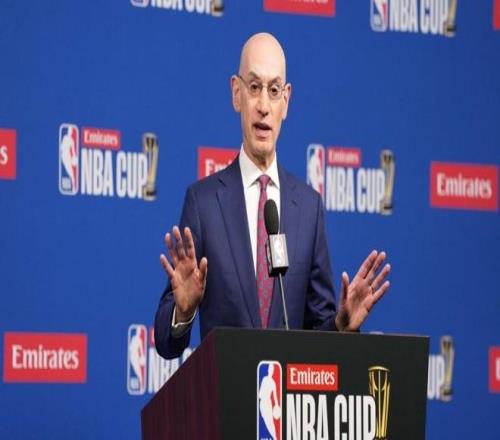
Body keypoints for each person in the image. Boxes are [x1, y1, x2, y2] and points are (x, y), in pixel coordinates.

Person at [154, 33, 391, 360]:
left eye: (274, 90)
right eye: (254, 87)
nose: (264, 106)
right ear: (236, 93)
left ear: (286, 101)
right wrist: (183, 310)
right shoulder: (204, 203)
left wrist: (341, 325)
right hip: (226, 390)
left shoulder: (309, 208)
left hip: (290, 392)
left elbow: (319, 330)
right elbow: (167, 344)